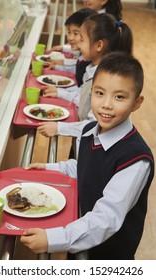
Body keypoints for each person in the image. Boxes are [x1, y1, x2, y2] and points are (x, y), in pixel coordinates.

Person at [20, 52, 155, 259]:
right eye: (99, 93)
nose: (106, 104)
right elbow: (85, 166)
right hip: (82, 236)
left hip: (108, 256)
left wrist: (55, 239)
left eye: (119, 97)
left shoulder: (135, 159)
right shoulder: (89, 130)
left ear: (137, 103)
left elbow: (106, 218)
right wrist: (49, 168)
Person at [38, 13, 133, 146]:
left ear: (99, 45)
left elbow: (94, 124)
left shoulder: (104, 80)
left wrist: (59, 128)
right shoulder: (91, 68)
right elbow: (84, 99)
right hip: (83, 139)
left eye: (82, 40)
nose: (78, 43)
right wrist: (60, 93)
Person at [48, 8, 97, 87]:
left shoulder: (92, 62)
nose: (70, 38)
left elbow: (82, 93)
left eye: (76, 34)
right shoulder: (86, 55)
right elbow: (79, 70)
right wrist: (59, 67)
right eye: (69, 32)